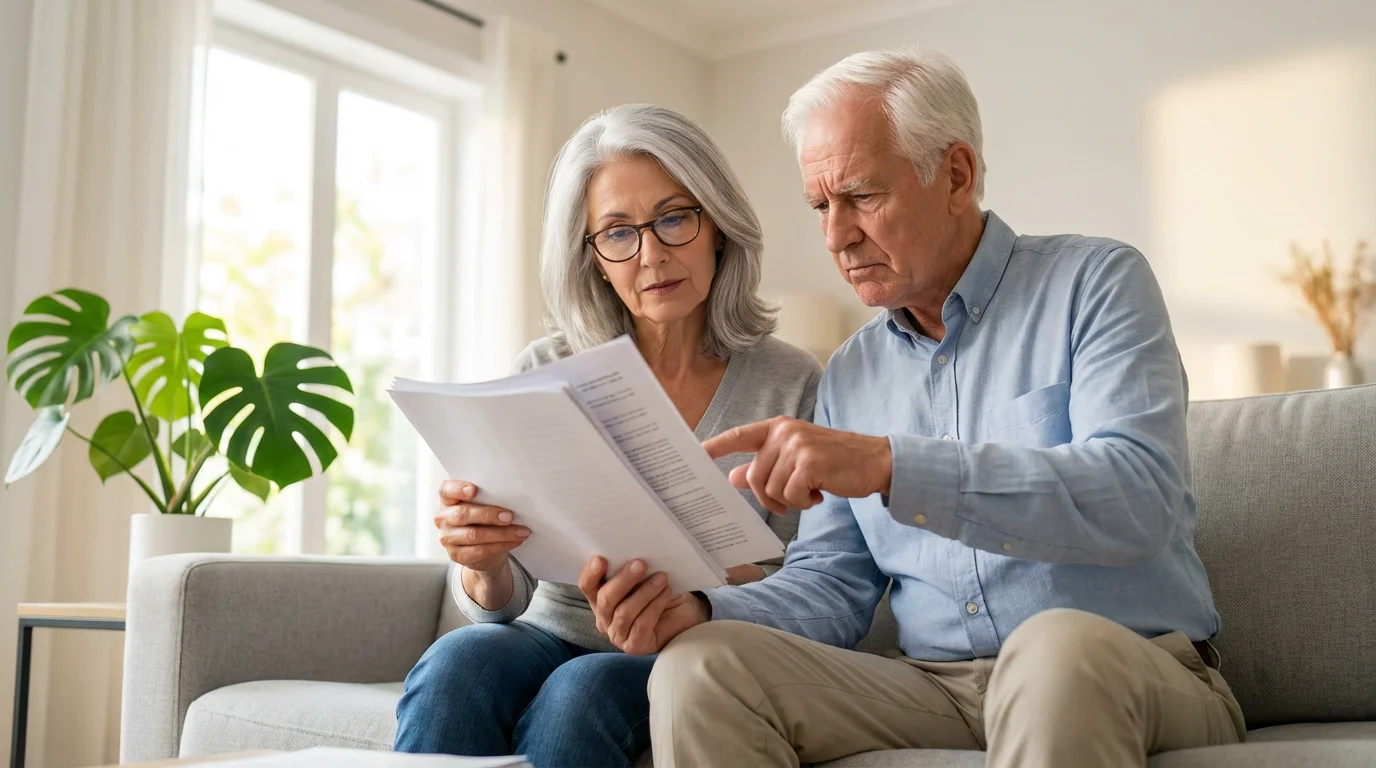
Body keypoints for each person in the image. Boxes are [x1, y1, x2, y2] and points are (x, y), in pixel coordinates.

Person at [576, 50, 1247, 768]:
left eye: (861, 197)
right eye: (820, 207)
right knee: (702, 666)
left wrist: (892, 465)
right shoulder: (853, 370)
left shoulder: (1098, 283)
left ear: (955, 174)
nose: (835, 237)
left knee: (1053, 649)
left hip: (1127, 665)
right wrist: (704, 610)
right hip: (936, 692)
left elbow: (1136, 496)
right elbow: (835, 580)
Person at [393, 103, 823, 768]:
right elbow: (503, 607)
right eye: (618, 233)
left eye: (675, 218)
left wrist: (708, 588)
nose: (651, 255)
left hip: (694, 645)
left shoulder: (792, 383)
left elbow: (820, 583)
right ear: (593, 257)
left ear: (718, 225)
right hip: (554, 627)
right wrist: (483, 566)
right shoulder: (544, 370)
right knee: (457, 662)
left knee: (581, 692)